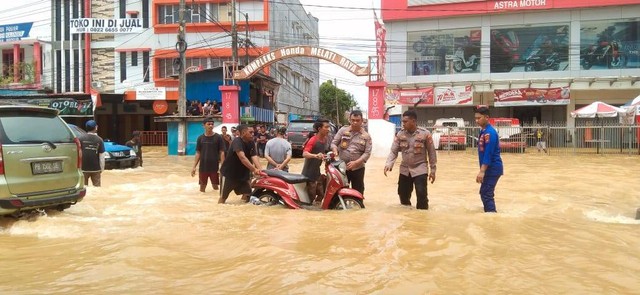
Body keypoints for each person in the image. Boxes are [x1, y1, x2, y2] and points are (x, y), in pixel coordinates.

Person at [384, 110, 437, 210]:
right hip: (405, 170)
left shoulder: (425, 134)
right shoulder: (400, 134)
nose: (402, 124)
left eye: (405, 121)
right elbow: (393, 151)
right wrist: (389, 163)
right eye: (402, 121)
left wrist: (433, 170)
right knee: (402, 195)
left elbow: (432, 153)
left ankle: (422, 218)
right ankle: (408, 216)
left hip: (420, 169)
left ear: (413, 121)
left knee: (421, 195)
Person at [331, 110, 372, 195]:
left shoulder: (366, 136)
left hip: (358, 168)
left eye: (357, 120)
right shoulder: (343, 130)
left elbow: (367, 153)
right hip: (342, 167)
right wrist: (335, 150)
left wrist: (356, 163)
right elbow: (334, 143)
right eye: (353, 120)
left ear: (362, 121)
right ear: (349, 120)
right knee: (341, 190)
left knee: (358, 191)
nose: (355, 122)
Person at [219, 124, 262, 204]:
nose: (253, 134)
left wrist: (261, 170)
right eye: (250, 132)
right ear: (243, 133)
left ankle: (242, 210)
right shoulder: (237, 141)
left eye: (253, 132)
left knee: (248, 194)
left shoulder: (251, 142)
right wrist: (254, 169)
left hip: (242, 174)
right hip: (229, 174)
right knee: (223, 198)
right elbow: (242, 157)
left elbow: (254, 156)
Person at [474, 105, 504, 213]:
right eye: (476, 118)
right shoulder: (483, 131)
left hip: (493, 168)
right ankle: (489, 215)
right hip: (489, 169)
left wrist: (482, 171)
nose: (477, 120)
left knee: (486, 194)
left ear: (486, 117)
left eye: (479, 118)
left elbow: (488, 153)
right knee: (484, 193)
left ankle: (491, 216)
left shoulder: (489, 133)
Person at [301, 119, 331, 203]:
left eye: (329, 127)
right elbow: (304, 154)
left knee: (322, 193)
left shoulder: (325, 139)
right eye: (326, 127)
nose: (329, 129)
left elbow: (323, 153)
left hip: (317, 172)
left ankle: (317, 211)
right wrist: (315, 155)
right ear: (319, 129)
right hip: (308, 174)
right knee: (311, 196)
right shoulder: (313, 140)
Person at [191, 118, 225, 192]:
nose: (211, 126)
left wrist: (222, 165)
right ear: (203, 125)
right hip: (203, 166)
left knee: (215, 186)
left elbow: (222, 152)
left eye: (212, 124)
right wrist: (194, 167)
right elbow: (198, 153)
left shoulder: (218, 137)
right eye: (208, 124)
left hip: (214, 166)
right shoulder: (200, 138)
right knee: (202, 187)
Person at [79, 120, 105, 187]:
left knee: (83, 188)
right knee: (97, 189)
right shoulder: (99, 140)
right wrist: (102, 169)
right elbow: (102, 156)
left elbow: (78, 153)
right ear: (96, 127)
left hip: (83, 168)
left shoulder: (80, 138)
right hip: (96, 169)